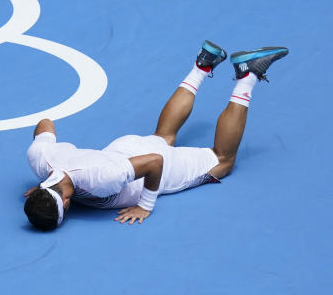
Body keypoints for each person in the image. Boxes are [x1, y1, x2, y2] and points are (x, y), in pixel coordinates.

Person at [23, 42, 289, 230]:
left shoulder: (101, 180)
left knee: (223, 160)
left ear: (67, 203)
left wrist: (145, 205)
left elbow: (154, 163)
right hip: (123, 148)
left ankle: (248, 74)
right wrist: (44, 186)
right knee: (163, 136)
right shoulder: (41, 160)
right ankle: (203, 66)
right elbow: (45, 123)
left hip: (150, 166)